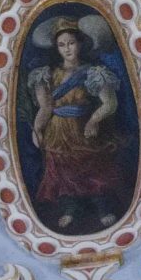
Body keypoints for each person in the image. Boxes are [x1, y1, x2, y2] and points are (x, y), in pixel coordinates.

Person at [27, 16, 126, 233]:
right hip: (58, 131)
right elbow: (45, 108)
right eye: (62, 45)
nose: (67, 49)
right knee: (62, 172)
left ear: (80, 43)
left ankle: (102, 207)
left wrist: (94, 119)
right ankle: (69, 209)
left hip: (84, 129)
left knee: (94, 168)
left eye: (71, 43)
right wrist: (38, 129)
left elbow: (110, 102)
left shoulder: (94, 73)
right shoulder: (46, 75)